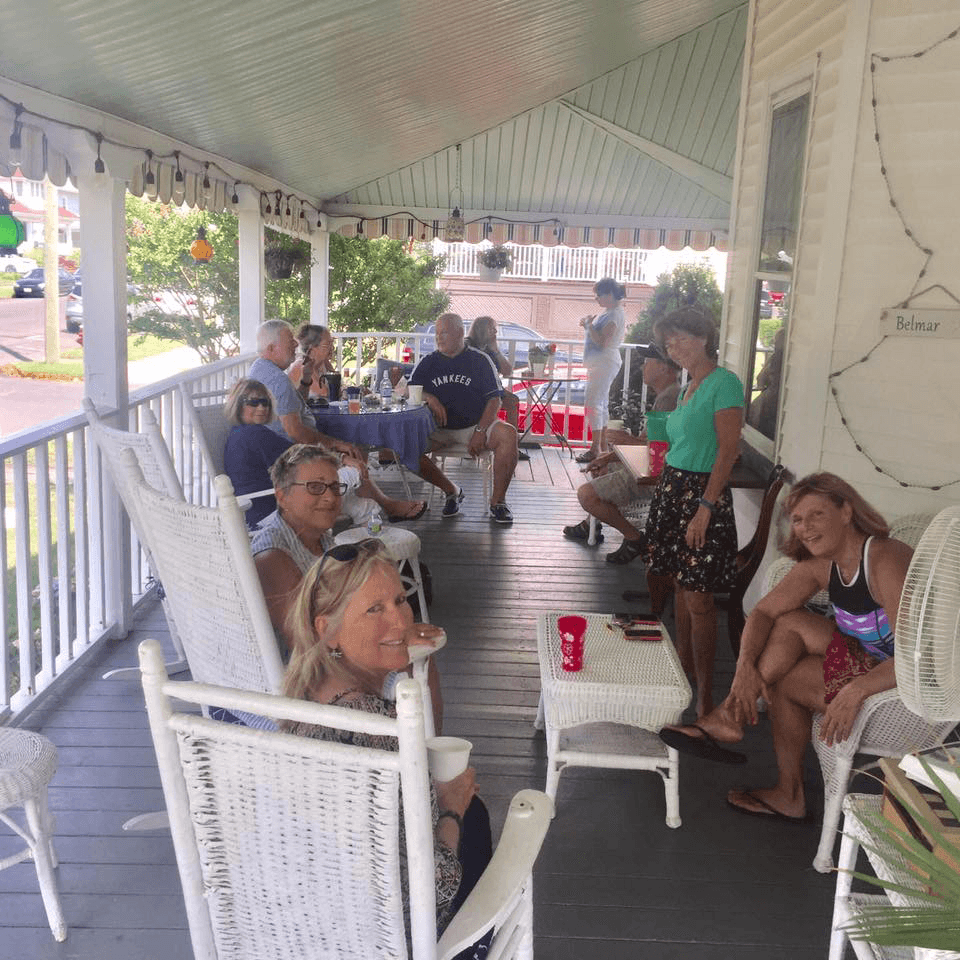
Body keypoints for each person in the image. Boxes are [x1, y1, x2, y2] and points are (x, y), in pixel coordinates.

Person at [660, 473, 913, 822]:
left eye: (816, 515)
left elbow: (916, 658)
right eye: (797, 519)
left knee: (785, 673)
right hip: (865, 660)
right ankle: (735, 721)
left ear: (846, 511)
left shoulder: (885, 559)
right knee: (787, 621)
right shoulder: (824, 566)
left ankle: (765, 763)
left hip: (900, 686)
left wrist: (856, 690)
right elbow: (763, 611)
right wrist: (744, 667)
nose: (805, 528)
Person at [281, 539, 492, 956]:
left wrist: (391, 637)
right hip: (394, 938)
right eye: (374, 610)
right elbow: (428, 893)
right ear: (329, 630)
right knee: (476, 815)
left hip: (316, 923)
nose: (399, 621)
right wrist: (450, 808)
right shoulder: (378, 733)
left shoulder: (303, 697)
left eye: (400, 600)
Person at [642, 305, 744, 718]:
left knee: (699, 597)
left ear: (703, 338)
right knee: (681, 588)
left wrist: (705, 506)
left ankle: (705, 698)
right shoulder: (689, 385)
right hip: (674, 489)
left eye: (681, 339)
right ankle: (682, 674)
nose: (674, 348)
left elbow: (728, 450)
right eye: (669, 343)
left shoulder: (726, 384)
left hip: (702, 495)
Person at [223, 379, 426, 528]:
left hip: (276, 501)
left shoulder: (242, 433)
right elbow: (302, 456)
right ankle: (372, 555)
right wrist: (343, 459)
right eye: (253, 402)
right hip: (270, 513)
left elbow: (296, 457)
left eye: (265, 402)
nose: (261, 407)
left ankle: (371, 557)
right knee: (355, 471)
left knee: (366, 506)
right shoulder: (253, 435)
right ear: (239, 405)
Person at [563, 344, 681, 563]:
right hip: (648, 467)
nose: (643, 367)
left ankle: (634, 537)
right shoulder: (667, 395)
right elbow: (648, 444)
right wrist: (606, 457)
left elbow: (654, 448)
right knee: (604, 467)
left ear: (665, 368)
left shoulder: (669, 400)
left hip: (654, 478)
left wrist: (622, 440)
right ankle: (592, 524)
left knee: (586, 494)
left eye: (649, 363)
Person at [410, 313, 519, 524]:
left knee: (508, 434)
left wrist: (480, 431)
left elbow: (495, 400)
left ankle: (498, 502)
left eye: (444, 332)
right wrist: (429, 397)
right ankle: (452, 490)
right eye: (437, 333)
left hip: (475, 426)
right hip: (439, 430)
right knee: (406, 446)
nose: (438, 338)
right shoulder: (428, 362)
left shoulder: (479, 360)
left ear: (460, 333)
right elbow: (409, 390)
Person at [576, 277, 627, 464]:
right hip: (601, 363)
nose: (596, 299)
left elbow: (603, 342)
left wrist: (589, 326)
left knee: (592, 403)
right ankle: (602, 446)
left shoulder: (614, 315)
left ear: (610, 295)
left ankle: (595, 448)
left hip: (604, 362)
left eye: (599, 295)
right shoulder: (610, 312)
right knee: (600, 404)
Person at [465, 315, 528, 461]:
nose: (495, 332)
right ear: (482, 330)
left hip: (492, 390)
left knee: (513, 401)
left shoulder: (490, 348)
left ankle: (513, 447)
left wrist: (495, 350)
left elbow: (507, 371)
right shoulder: (467, 345)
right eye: (492, 329)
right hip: (472, 391)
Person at [287, 322, 336, 401]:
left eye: (332, 342)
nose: (332, 348)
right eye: (327, 345)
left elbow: (337, 389)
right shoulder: (300, 367)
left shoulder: (324, 364)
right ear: (312, 348)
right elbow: (323, 394)